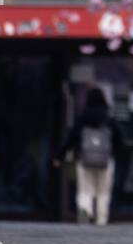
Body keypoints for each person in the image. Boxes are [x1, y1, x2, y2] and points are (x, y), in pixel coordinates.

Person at [53, 87, 123, 225]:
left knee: (85, 189)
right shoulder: (109, 119)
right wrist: (118, 155)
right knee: (103, 191)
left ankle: (85, 209)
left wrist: (58, 157)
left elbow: (70, 139)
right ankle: (101, 219)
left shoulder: (83, 118)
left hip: (84, 160)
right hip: (105, 161)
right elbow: (119, 141)